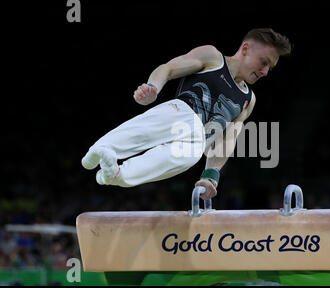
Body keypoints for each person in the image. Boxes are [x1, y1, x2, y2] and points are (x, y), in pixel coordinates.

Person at [81, 28, 291, 201]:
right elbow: (169, 68)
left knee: (192, 155)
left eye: (270, 68)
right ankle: (102, 148)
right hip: (180, 113)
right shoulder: (213, 58)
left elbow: (227, 140)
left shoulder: (248, 100)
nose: (265, 72)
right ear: (246, 48)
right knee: (185, 123)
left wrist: (211, 177)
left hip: (196, 139)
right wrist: (153, 87)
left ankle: (117, 174)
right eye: (264, 62)